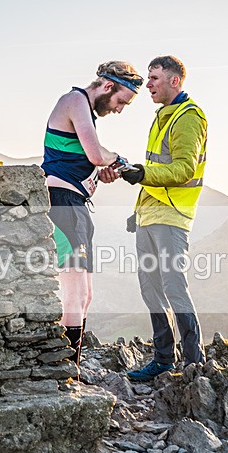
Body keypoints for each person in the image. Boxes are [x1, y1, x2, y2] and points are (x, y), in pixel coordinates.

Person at [42, 61, 143, 369]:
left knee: (85, 295)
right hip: (61, 204)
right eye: (121, 101)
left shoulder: (83, 109)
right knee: (73, 292)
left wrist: (102, 175)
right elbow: (97, 154)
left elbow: (88, 161)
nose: (119, 109)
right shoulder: (74, 100)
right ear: (108, 87)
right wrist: (121, 161)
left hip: (76, 203)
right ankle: (65, 370)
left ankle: (70, 363)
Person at [113, 55, 207, 382]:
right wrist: (135, 173)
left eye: (154, 78)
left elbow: (184, 169)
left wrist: (142, 173)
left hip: (172, 215)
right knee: (150, 289)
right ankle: (164, 360)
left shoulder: (188, 117)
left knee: (174, 287)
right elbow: (155, 168)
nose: (148, 84)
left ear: (174, 81)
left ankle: (195, 362)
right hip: (148, 214)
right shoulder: (161, 116)